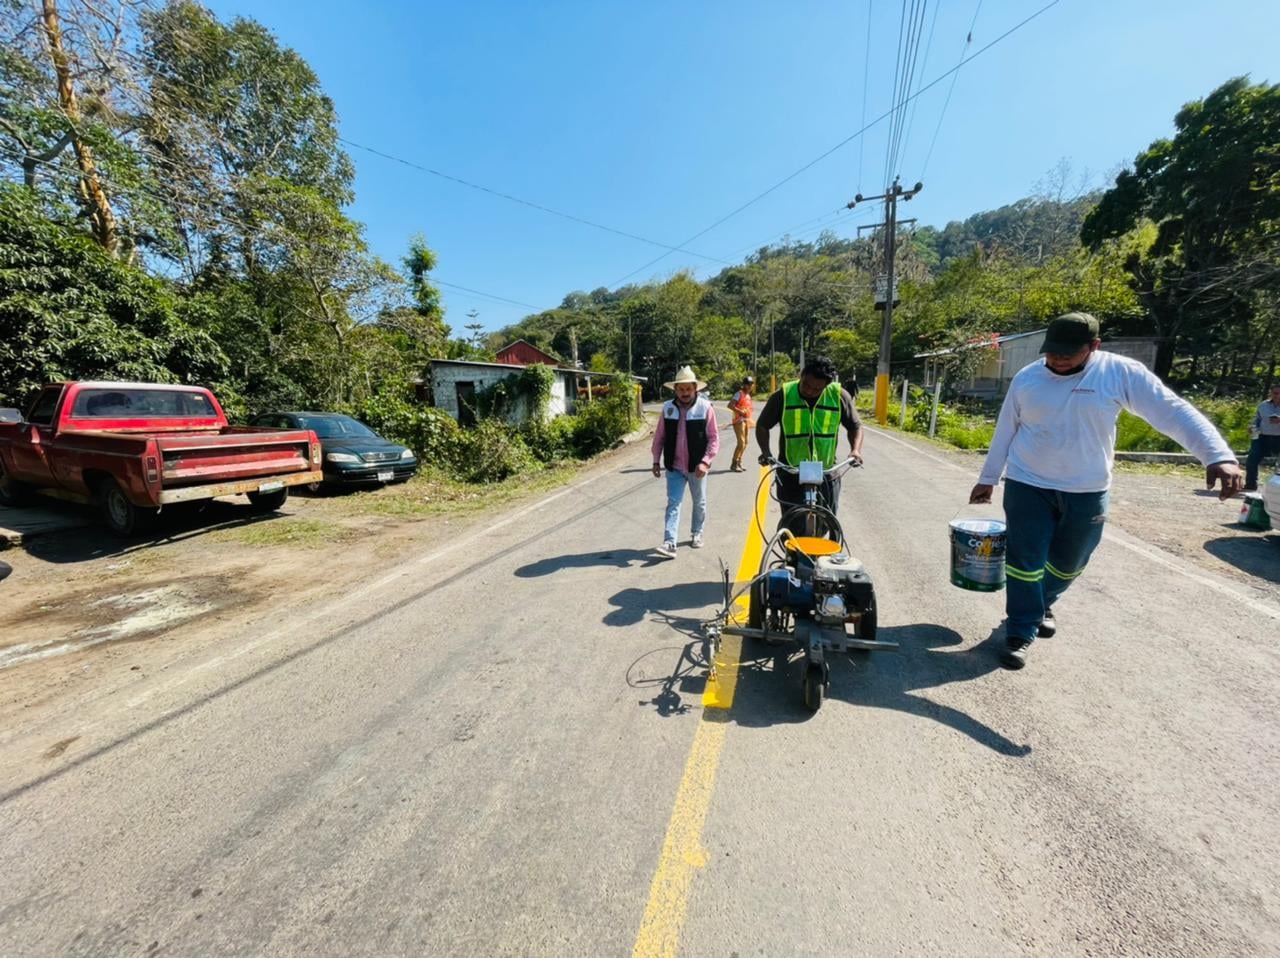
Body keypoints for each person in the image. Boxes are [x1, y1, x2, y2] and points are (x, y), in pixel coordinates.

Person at [968, 312, 1243, 671]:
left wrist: (1218, 455)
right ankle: (1020, 631)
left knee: (1070, 562)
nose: (1058, 359)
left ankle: (1042, 603)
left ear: (1094, 346)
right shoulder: (1027, 378)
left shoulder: (1119, 373)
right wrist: (988, 477)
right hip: (1028, 483)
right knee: (1024, 562)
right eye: (1052, 351)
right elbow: (1006, 428)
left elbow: (1171, 411)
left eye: (1068, 352)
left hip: (1087, 488)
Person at [755, 355, 864, 535]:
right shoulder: (784, 395)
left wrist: (855, 450)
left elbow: (855, 426)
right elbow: (762, 425)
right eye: (806, 385)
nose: (810, 391)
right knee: (791, 525)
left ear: (826, 386)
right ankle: (791, 551)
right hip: (791, 470)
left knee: (828, 522)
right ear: (802, 375)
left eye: (817, 389)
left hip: (827, 470)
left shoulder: (839, 396)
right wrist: (766, 452)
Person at [651, 366, 720, 558]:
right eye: (681, 389)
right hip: (674, 466)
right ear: (675, 390)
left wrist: (705, 461)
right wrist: (656, 461)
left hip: (697, 467)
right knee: (673, 502)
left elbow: (714, 438)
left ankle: (697, 532)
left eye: (688, 389)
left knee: (699, 502)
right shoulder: (668, 408)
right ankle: (669, 542)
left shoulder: (705, 408)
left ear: (695, 388)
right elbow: (659, 437)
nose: (685, 393)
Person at [1244, 383, 1280, 491]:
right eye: (1275, 393)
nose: (1277, 395)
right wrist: (1252, 427)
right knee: (1252, 460)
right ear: (1271, 393)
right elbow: (1257, 419)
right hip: (1262, 437)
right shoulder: (1263, 405)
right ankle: (1251, 484)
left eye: (1279, 393)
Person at [727, 376, 755, 472]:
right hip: (739, 421)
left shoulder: (748, 395)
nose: (750, 386)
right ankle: (734, 464)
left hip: (746, 420)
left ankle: (739, 462)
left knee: (745, 443)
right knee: (741, 443)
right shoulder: (739, 394)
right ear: (744, 385)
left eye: (751, 384)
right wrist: (740, 411)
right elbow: (730, 405)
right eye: (748, 384)